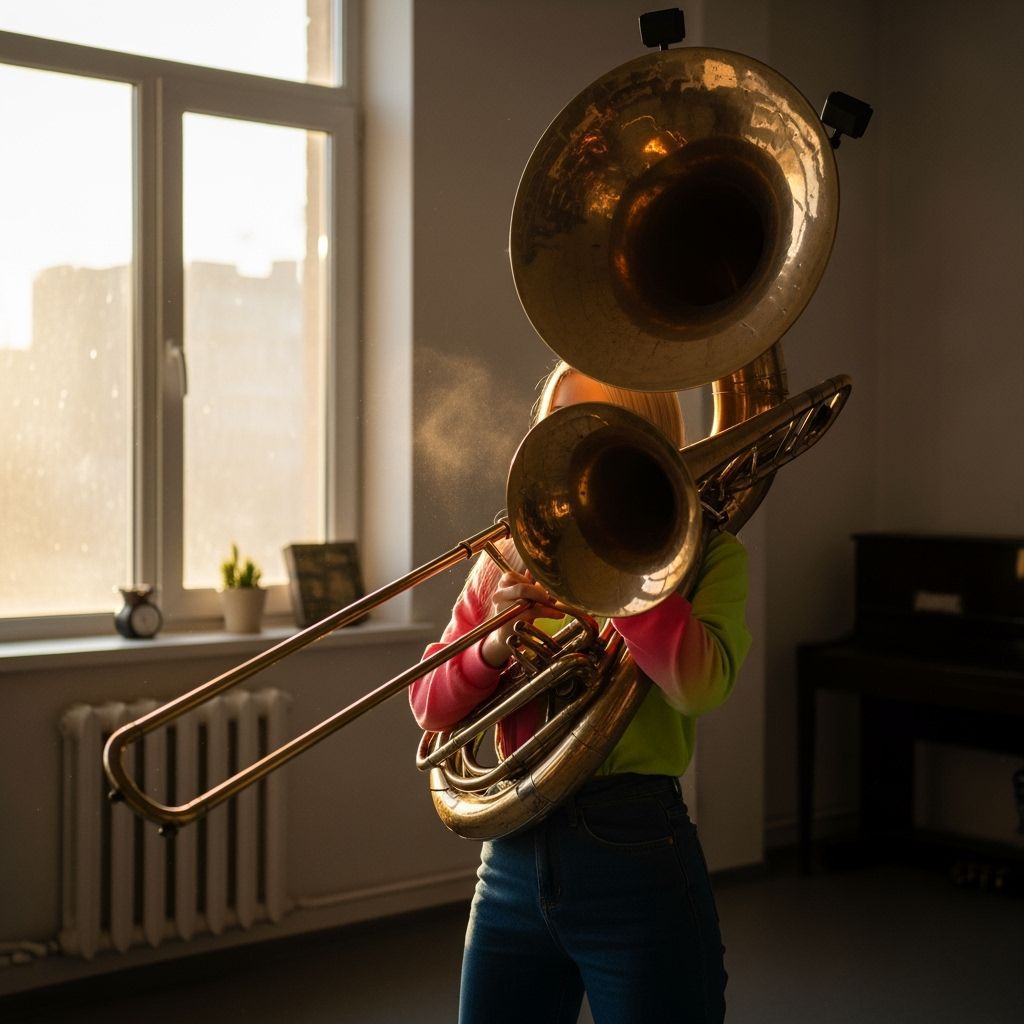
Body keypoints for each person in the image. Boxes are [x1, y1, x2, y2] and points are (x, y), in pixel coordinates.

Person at [409, 360, 752, 1023]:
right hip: (509, 859)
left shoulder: (709, 556)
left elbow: (701, 686)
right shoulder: (506, 556)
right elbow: (429, 705)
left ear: (647, 444)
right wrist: (493, 643)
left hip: (635, 852)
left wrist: (621, 579)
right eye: (560, 433)